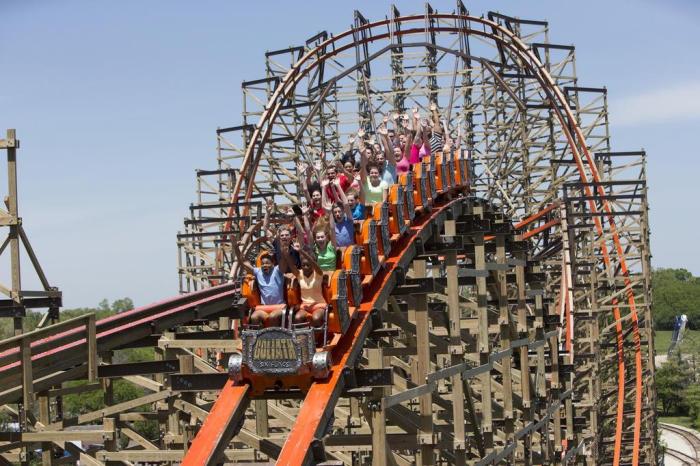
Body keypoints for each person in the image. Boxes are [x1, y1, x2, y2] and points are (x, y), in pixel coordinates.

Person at [233, 246, 288, 327]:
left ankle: (273, 337)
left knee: (273, 316)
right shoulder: (258, 272)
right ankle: (258, 337)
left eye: (267, 263)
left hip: (279, 307)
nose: (264, 265)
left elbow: (284, 260)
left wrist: (284, 247)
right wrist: (235, 246)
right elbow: (243, 262)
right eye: (262, 264)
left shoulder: (277, 270)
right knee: (254, 317)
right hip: (265, 308)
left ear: (273, 263)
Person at [287, 242, 327, 327]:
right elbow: (291, 266)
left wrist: (301, 251)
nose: (305, 267)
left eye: (308, 265)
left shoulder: (318, 273)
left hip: (319, 304)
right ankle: (302, 337)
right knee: (297, 318)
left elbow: (313, 262)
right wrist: (285, 253)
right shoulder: (299, 274)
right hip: (305, 305)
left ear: (312, 265)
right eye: (303, 265)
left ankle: (316, 338)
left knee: (316, 318)